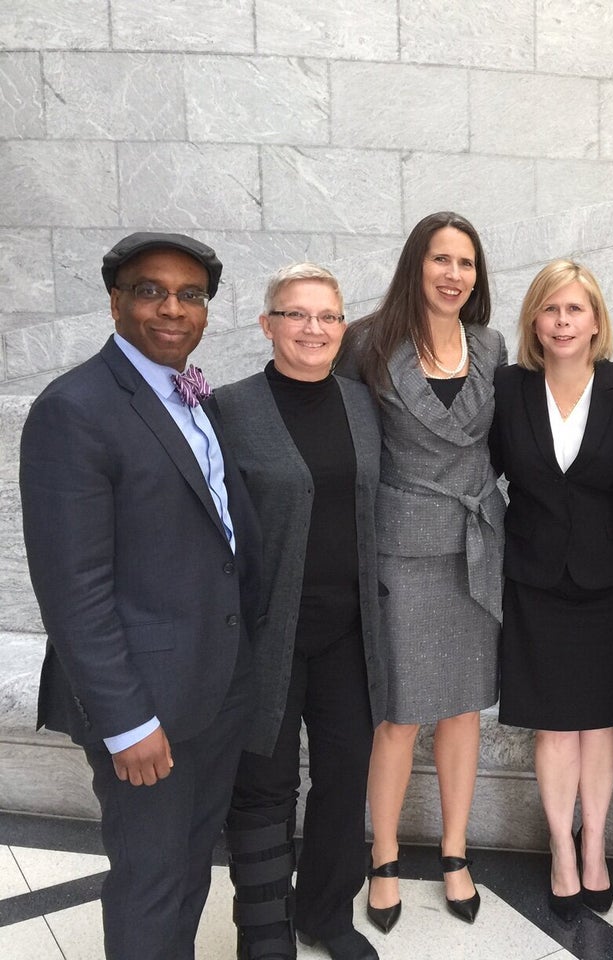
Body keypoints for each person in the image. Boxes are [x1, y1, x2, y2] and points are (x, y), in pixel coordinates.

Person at [20, 232, 262, 960]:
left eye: (191, 295)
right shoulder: (76, 408)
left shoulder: (194, 396)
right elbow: (73, 591)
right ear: (116, 301)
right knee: (150, 881)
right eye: (151, 290)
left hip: (214, 690)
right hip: (146, 705)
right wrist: (126, 724)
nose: (172, 308)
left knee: (190, 870)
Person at [338, 211, 506, 932]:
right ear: (417, 264)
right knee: (400, 714)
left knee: (464, 710)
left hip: (475, 546)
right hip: (401, 549)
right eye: (441, 259)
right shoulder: (369, 343)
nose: (453, 274)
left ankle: (455, 851)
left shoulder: (493, 346)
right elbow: (343, 439)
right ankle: (382, 857)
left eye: (465, 262)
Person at [214, 263, 384, 960]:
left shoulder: (361, 403)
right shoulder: (228, 408)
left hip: (350, 634)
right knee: (264, 781)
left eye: (328, 316)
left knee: (345, 775)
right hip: (265, 635)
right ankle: (261, 931)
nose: (313, 329)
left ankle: (325, 914)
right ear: (267, 324)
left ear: (343, 328)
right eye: (296, 314)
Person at [489, 259, 613, 922]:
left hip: (608, 581)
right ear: (534, 319)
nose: (561, 322)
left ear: (595, 320)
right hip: (533, 579)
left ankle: (596, 848)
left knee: (600, 726)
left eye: (574, 309)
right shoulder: (506, 388)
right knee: (554, 728)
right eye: (550, 309)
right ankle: (560, 848)